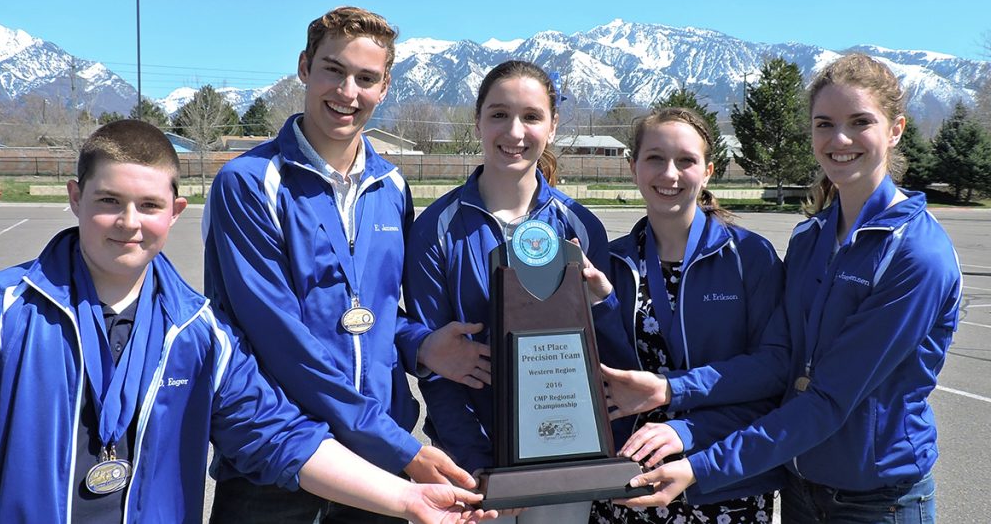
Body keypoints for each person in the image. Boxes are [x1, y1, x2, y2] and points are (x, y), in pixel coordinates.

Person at [0, 120, 496, 524]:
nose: (129, 223)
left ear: (174, 213)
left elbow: (278, 435)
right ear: (75, 198)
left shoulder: (198, 333)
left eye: (148, 205)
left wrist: (408, 498)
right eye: (109, 201)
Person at [608, 53, 961, 523]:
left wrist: (701, 464)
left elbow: (828, 399)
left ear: (895, 129)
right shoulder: (811, 238)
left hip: (876, 500)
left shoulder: (916, 255)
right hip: (798, 484)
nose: (839, 140)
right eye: (824, 124)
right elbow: (782, 363)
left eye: (860, 122)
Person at [203, 6, 485, 523]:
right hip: (280, 459)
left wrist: (419, 343)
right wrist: (401, 447)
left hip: (374, 463)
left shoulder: (392, 186)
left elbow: (372, 312)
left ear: (385, 87)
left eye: (366, 78)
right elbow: (280, 339)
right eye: (334, 70)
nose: (347, 92)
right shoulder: (249, 182)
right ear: (305, 67)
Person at [403, 60, 615, 524]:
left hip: (561, 461)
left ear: (553, 126)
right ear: (477, 121)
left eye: (532, 116)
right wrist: (475, 462)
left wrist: (605, 300)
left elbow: (606, 349)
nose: (514, 131)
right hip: (467, 464)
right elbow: (436, 365)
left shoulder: (579, 226)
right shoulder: (435, 230)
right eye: (499, 114)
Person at [588, 107, 784, 524]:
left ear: (709, 171)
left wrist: (674, 401)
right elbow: (606, 375)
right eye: (655, 158)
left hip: (722, 475)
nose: (669, 174)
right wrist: (602, 305)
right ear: (633, 167)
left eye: (686, 161)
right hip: (630, 478)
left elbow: (773, 371)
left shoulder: (750, 257)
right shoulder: (612, 262)